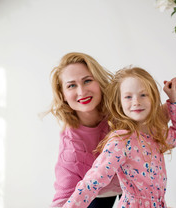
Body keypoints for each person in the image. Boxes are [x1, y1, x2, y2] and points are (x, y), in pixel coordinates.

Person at [62, 66, 176, 208]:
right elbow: (94, 180)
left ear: (153, 97)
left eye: (143, 95)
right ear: (120, 103)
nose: (136, 101)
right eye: (128, 97)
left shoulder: (156, 134)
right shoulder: (121, 141)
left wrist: (174, 101)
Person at [49, 52, 122, 208]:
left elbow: (153, 121)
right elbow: (63, 198)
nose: (82, 92)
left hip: (132, 183)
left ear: (99, 81)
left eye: (87, 81)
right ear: (63, 95)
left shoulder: (122, 111)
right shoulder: (71, 149)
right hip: (97, 192)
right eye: (71, 85)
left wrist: (173, 102)